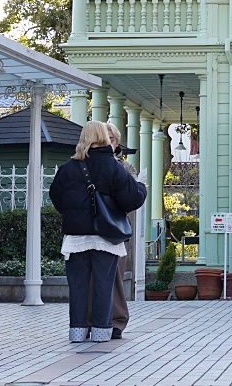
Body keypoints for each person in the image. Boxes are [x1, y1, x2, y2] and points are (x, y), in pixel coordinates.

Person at [50, 121, 147, 342]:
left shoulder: (69, 167)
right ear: (104, 137)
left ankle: (77, 331)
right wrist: (141, 188)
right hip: (106, 235)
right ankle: (102, 332)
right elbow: (131, 198)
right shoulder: (113, 166)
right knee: (104, 283)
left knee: (78, 286)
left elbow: (56, 197)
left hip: (76, 236)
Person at [103, 122, 139, 339]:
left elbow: (131, 197)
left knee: (116, 275)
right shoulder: (84, 165)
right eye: (104, 138)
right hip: (89, 230)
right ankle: (92, 320)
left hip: (116, 228)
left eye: (112, 139)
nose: (108, 143)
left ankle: (117, 321)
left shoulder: (126, 168)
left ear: (117, 143)